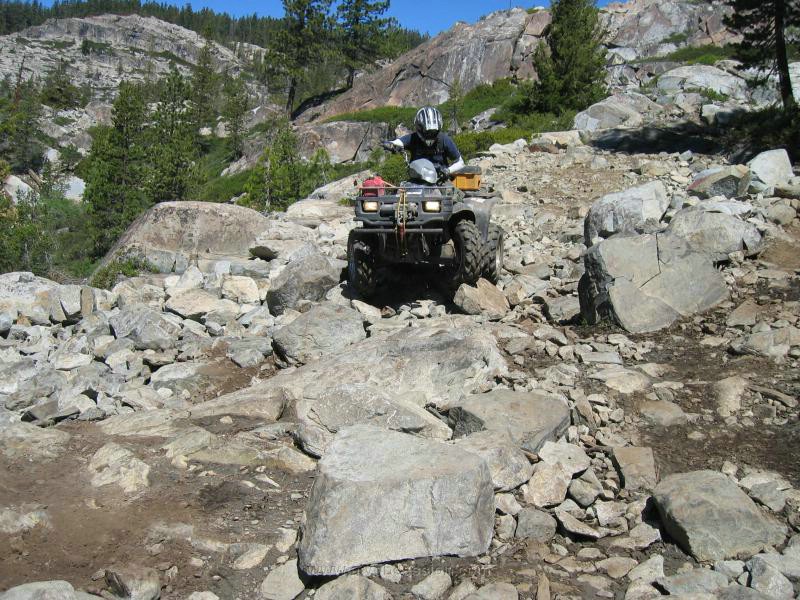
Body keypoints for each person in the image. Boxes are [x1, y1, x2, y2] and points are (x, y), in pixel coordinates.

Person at [383, 106, 465, 180]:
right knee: (401, 191)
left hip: (440, 180)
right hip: (417, 181)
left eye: (433, 132)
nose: (430, 135)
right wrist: (391, 144)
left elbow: (460, 162)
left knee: (451, 192)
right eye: (427, 132)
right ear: (419, 128)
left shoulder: (444, 140)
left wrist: (448, 170)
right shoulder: (413, 138)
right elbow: (399, 142)